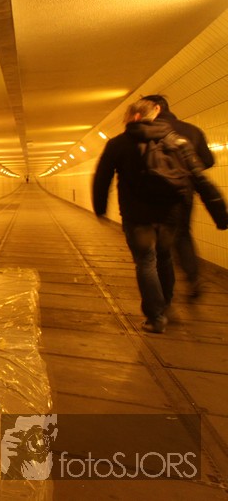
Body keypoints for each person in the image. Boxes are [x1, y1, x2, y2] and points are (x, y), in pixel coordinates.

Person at [92, 98, 188, 333]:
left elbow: (102, 177)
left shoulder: (118, 143)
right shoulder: (174, 139)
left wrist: (100, 207)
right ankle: (166, 305)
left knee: (146, 262)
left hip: (137, 216)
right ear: (155, 113)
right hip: (168, 214)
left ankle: (156, 317)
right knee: (165, 258)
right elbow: (193, 172)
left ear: (133, 117)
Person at [142, 94, 215, 301]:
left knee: (158, 238)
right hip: (185, 192)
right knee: (182, 233)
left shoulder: (147, 132)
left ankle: (164, 289)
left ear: (156, 108)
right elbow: (208, 160)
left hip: (156, 193)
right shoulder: (192, 130)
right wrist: (188, 170)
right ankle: (192, 277)